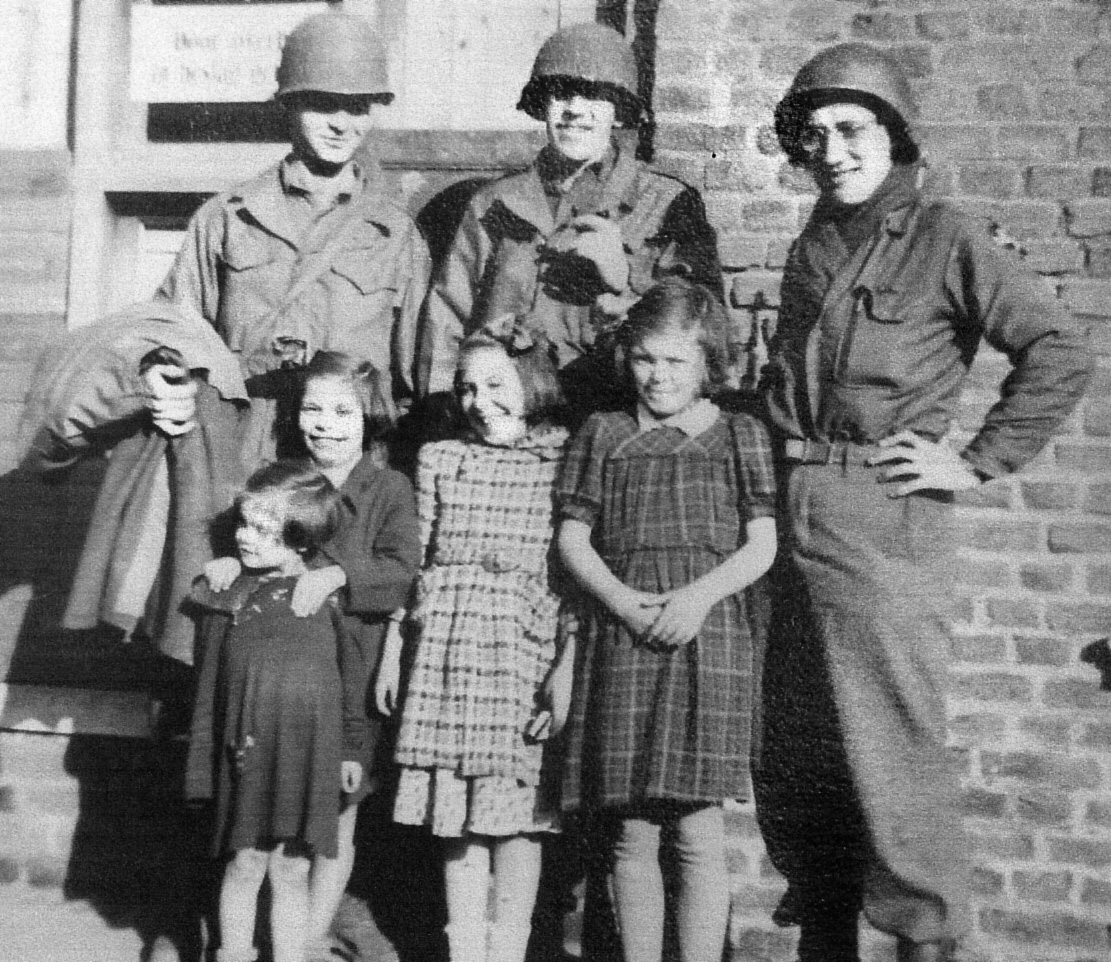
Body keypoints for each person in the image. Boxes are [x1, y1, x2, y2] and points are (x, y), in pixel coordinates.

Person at [755, 43, 1094, 962]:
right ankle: (823, 934)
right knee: (799, 756)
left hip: (884, 516)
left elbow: (1056, 352)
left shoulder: (947, 238)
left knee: (890, 757)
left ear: (894, 136)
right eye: (813, 133)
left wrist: (975, 462)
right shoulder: (814, 242)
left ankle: (926, 941)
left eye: (851, 129)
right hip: (794, 514)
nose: (831, 149)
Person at [553, 279, 778, 962]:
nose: (658, 376)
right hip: (622, 635)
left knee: (696, 827)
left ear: (708, 362)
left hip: (705, 638)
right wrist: (620, 602)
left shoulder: (739, 435)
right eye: (646, 359)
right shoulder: (604, 434)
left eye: (676, 362)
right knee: (630, 832)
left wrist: (696, 598)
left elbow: (760, 545)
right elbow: (571, 538)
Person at [203, 351, 422, 961]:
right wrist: (224, 561)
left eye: (341, 411)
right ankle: (246, 938)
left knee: (333, 815)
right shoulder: (284, 480)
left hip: (352, 664)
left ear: (369, 416)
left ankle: (305, 938)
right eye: (312, 409)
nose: (324, 423)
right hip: (278, 673)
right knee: (264, 814)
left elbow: (404, 571)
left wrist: (336, 577)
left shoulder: (387, 488)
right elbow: (244, 547)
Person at [416, 21, 721, 423]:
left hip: (612, 424)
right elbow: (447, 319)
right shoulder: (493, 204)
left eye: (594, 95)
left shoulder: (667, 204)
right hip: (503, 424)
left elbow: (701, 334)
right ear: (542, 105)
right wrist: (441, 417)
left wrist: (624, 281)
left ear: (619, 112)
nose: (574, 109)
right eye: (560, 94)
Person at [379, 322, 569, 962]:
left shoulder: (559, 462)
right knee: (456, 815)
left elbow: (571, 578)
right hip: (447, 647)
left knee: (517, 816)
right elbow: (414, 565)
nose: (478, 401)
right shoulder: (440, 459)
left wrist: (563, 667)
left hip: (521, 649)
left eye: (495, 384)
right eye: (466, 388)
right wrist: (392, 652)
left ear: (533, 384)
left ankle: (508, 949)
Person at [185, 461, 364, 962]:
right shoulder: (232, 591)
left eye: (262, 529)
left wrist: (351, 749)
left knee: (293, 868)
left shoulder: (327, 595)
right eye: (244, 522)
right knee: (245, 864)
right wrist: (214, 570)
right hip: (247, 751)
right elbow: (207, 689)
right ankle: (234, 953)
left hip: (309, 755)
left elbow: (351, 682)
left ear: (302, 539)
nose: (244, 536)